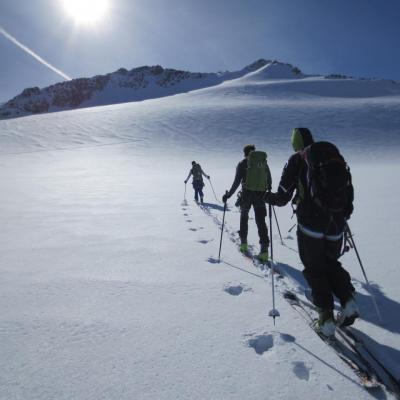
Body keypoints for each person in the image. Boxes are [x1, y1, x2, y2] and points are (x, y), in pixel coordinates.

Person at [265, 127, 359, 337]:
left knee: (314, 268)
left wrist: (266, 197)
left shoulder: (297, 160)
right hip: (336, 223)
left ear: (295, 143)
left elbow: (282, 197)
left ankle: (325, 317)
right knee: (330, 264)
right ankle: (348, 299)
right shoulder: (328, 156)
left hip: (311, 225)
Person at [222, 144, 271, 262]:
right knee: (261, 221)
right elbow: (269, 179)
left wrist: (229, 195)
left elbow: (237, 182)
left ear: (245, 153)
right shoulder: (262, 162)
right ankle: (264, 250)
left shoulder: (242, 164)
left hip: (246, 195)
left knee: (244, 217)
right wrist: (267, 190)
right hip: (260, 195)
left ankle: (243, 244)